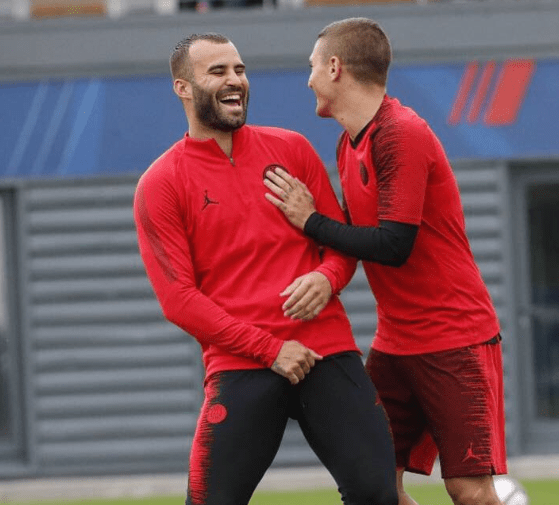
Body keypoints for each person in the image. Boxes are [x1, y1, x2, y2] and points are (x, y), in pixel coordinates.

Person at [133, 33, 398, 505]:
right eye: (217, 72)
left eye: (239, 69)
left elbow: (340, 242)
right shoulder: (162, 183)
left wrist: (327, 277)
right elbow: (178, 300)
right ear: (184, 88)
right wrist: (270, 349)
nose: (235, 80)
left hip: (327, 350)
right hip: (242, 362)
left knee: (377, 493)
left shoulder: (292, 148)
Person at [264, 18, 507, 505]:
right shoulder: (346, 143)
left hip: (454, 337)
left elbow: (394, 244)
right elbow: (352, 242)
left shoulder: (401, 133)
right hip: (396, 344)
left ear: (335, 68)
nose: (307, 79)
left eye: (311, 67)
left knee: (468, 489)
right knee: (375, 484)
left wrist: (309, 220)